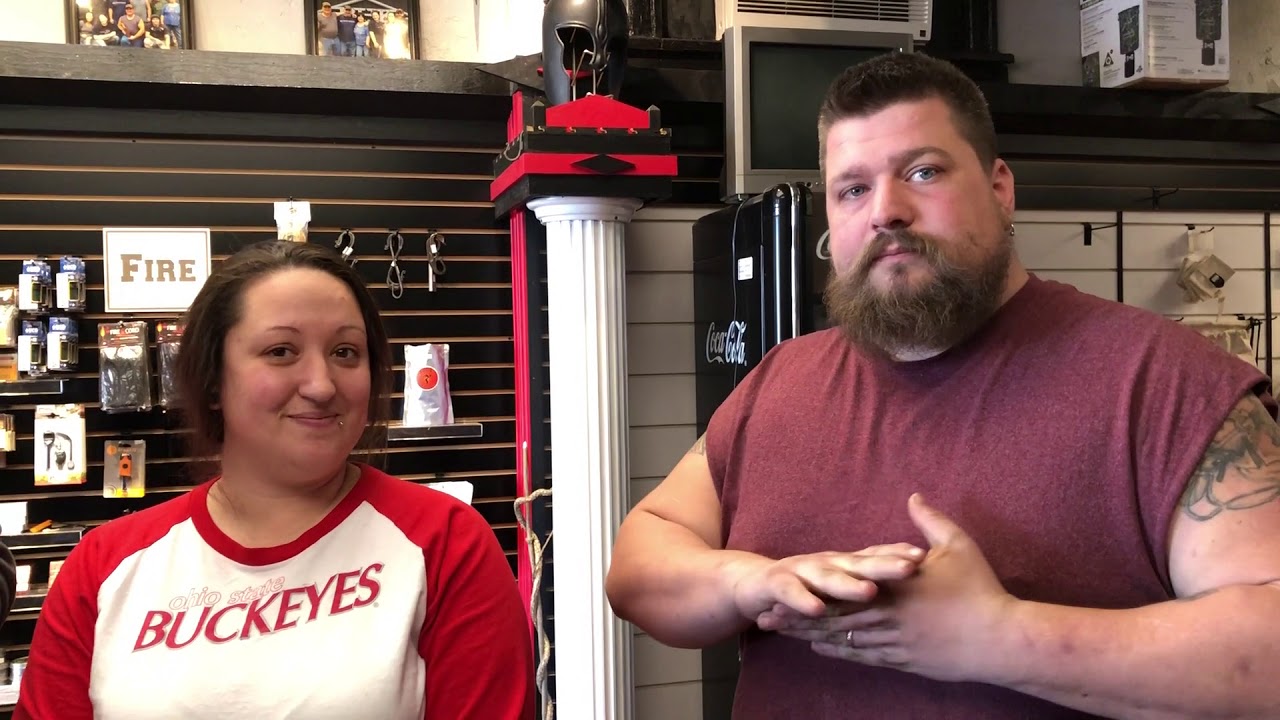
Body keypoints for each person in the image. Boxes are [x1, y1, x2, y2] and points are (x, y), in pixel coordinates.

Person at [605, 51, 1280, 719]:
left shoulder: (1164, 382)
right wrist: (751, 580)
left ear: (999, 187)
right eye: (852, 189)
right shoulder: (779, 382)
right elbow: (640, 562)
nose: (886, 211)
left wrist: (1001, 639)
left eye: (923, 172)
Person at [15, 241, 534, 719]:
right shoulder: (104, 567)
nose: (321, 385)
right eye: (281, 351)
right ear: (213, 380)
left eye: (345, 352)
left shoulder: (445, 544)